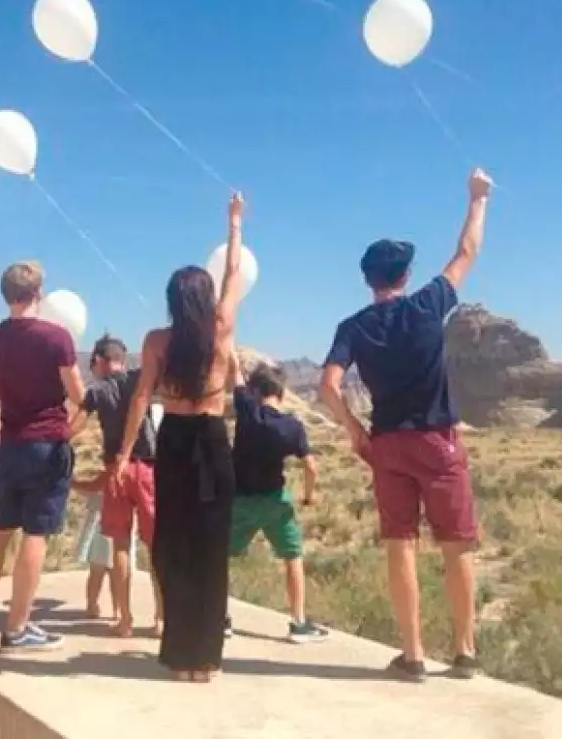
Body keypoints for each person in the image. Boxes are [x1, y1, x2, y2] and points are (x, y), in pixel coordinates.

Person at [319, 167, 492, 682]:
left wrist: (354, 431)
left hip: (387, 444)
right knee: (457, 543)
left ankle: (412, 654)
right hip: (437, 439)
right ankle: (464, 652)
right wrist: (477, 199)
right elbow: (466, 252)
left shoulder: (353, 327)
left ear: (369, 279)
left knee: (401, 544)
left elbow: (327, 385)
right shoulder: (427, 305)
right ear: (405, 275)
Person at [116, 191, 245, 682]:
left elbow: (139, 399)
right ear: (205, 299)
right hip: (211, 440)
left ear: (172, 301)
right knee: (210, 548)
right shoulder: (221, 328)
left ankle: (180, 654)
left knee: (175, 545)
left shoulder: (155, 341)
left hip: (172, 441)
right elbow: (234, 275)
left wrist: (124, 453)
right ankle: (207, 658)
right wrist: (234, 224)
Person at [0, 261, 85, 652]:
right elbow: (78, 393)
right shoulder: (57, 338)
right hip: (46, 442)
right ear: (38, 293)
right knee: (35, 534)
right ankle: (17, 627)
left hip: (11, 444)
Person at [225, 352, 326, 643]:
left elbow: (235, 375)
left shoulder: (247, 410)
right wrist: (308, 496)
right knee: (292, 555)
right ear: (281, 392)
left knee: (221, 557)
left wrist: (231, 348)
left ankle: (221, 618)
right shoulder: (293, 427)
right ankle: (298, 622)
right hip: (274, 501)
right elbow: (311, 467)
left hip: (240, 499)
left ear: (256, 391)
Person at [70, 333, 162, 638]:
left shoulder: (96, 390)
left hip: (115, 471)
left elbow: (76, 425)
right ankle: (161, 619)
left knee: (120, 546)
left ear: (98, 361)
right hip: (148, 469)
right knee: (156, 547)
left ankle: (125, 619)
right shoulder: (140, 379)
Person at [69, 470, 130, 620]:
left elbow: (89, 488)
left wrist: (71, 481)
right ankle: (116, 609)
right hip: (118, 528)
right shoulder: (127, 477)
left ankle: (92, 605)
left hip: (102, 529)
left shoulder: (106, 476)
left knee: (97, 572)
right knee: (115, 573)